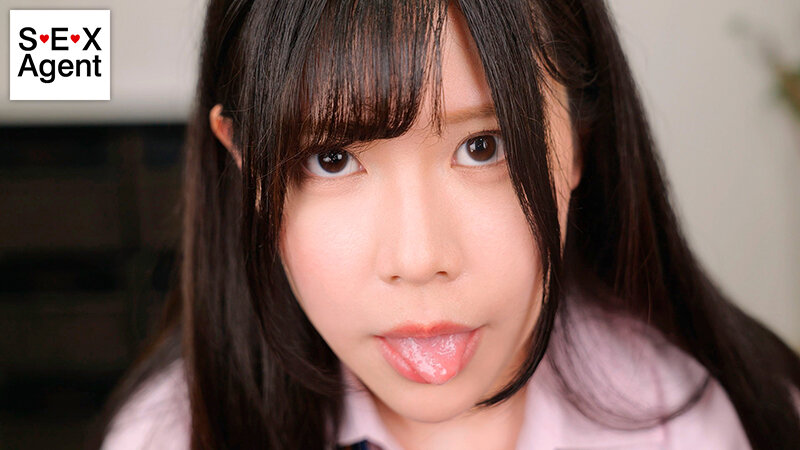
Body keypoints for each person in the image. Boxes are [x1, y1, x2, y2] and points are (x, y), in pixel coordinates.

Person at [94, 0, 800, 449]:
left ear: (580, 141)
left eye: (484, 147)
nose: (418, 256)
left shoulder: (689, 424)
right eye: (332, 159)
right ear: (245, 164)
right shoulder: (170, 437)